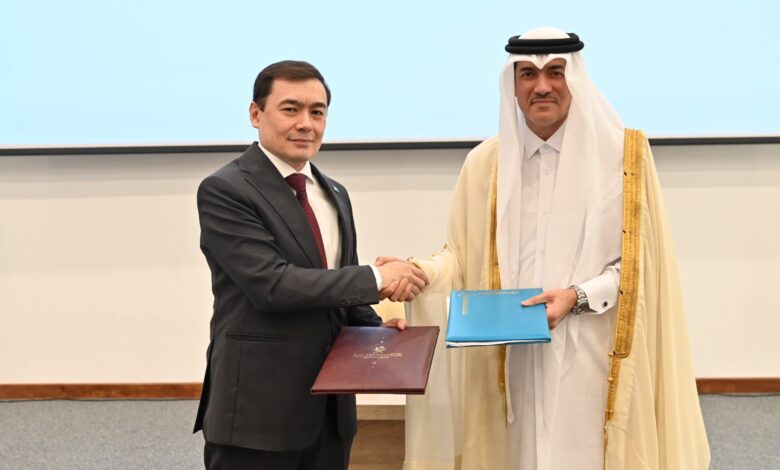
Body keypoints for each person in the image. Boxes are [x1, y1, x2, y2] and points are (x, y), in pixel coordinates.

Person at [391, 28, 710, 470]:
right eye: (528, 74)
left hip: (591, 348)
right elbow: (461, 257)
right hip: (510, 357)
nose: (542, 86)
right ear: (512, 85)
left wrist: (576, 297)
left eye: (555, 72)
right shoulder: (485, 163)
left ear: (575, 79)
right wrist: (419, 272)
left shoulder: (623, 158)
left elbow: (640, 266)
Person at [193, 60, 428, 470]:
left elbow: (338, 288)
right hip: (257, 413)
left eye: (317, 112)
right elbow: (272, 286)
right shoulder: (225, 189)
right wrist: (377, 277)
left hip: (330, 412)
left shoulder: (334, 192)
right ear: (255, 114)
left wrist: (377, 332)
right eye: (291, 109)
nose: (306, 123)